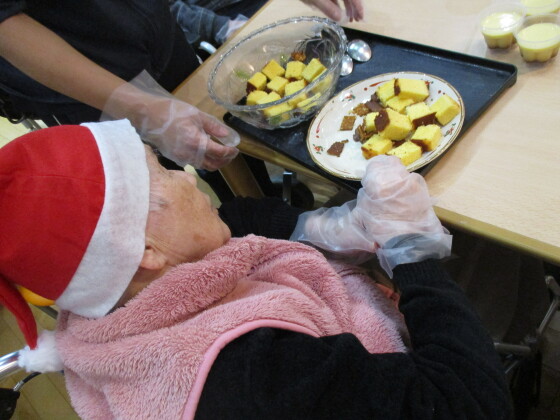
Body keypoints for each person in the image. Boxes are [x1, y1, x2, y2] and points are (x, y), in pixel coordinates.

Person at [0, 120, 512, 419]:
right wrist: (413, 254)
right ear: (143, 250)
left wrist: (325, 227)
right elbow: (467, 403)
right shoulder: (252, 378)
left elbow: (242, 218)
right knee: (497, 259)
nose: (186, 177)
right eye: (162, 173)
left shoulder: (112, 293)